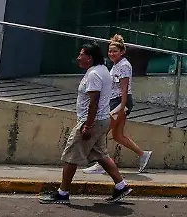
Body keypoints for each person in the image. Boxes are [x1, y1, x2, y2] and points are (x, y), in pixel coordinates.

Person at [39, 43, 132, 205]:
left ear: (89, 58)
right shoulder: (102, 70)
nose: (78, 58)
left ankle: (63, 193)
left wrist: (87, 125)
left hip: (92, 122)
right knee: (101, 155)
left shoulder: (94, 74)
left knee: (71, 156)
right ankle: (121, 186)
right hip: (101, 120)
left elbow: (93, 102)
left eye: (81, 55)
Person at [84, 35, 153, 174]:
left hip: (121, 102)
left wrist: (121, 107)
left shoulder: (124, 66)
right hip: (117, 102)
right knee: (117, 135)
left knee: (102, 130)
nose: (111, 54)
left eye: (114, 51)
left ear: (122, 52)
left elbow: (124, 88)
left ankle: (102, 163)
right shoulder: (116, 65)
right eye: (110, 51)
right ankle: (143, 154)